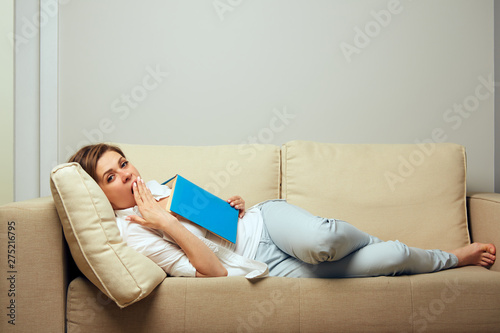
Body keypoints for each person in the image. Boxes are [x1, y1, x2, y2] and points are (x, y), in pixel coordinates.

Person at [68, 143, 496, 278]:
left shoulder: (158, 187)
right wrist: (163, 222)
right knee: (392, 257)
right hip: (263, 265)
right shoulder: (131, 234)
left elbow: (217, 221)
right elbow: (212, 274)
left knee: (324, 239)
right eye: (111, 177)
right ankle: (455, 257)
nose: (126, 175)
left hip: (263, 221)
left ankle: (366, 240)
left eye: (123, 163)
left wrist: (226, 207)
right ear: (100, 194)